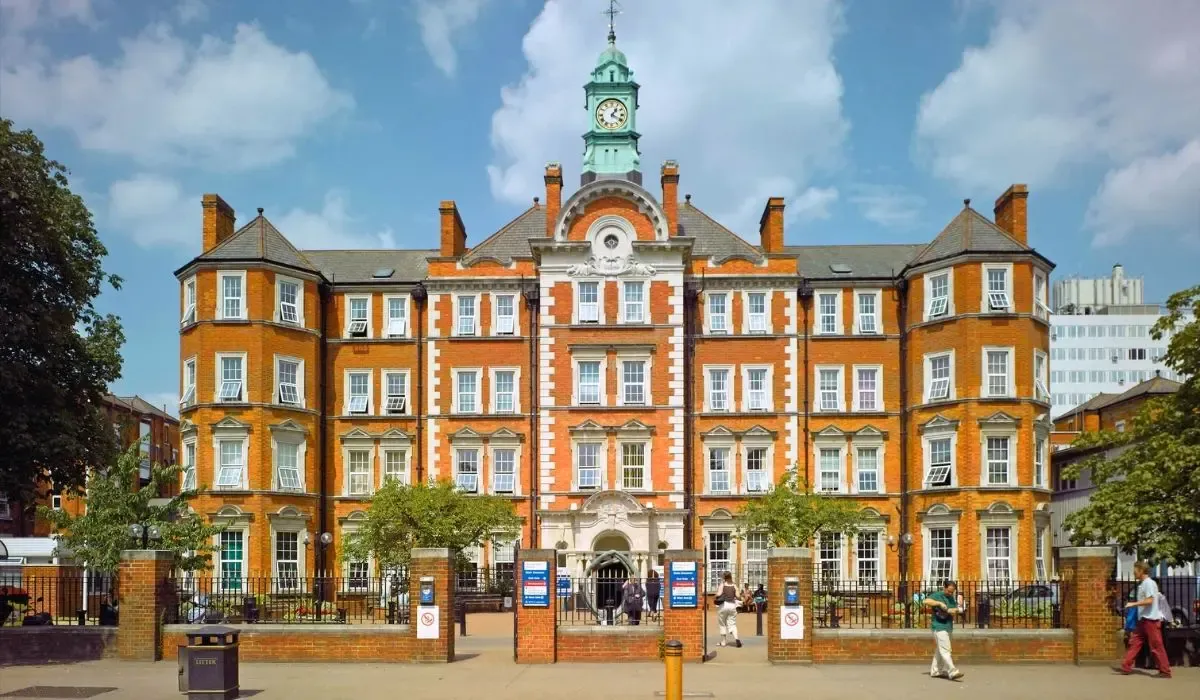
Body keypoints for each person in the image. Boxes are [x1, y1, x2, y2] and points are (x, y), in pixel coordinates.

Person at [1117, 561, 1171, 678]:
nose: (1133, 572)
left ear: (1141, 570)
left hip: (1151, 619)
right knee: (1135, 643)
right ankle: (1126, 667)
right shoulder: (1143, 584)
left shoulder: (1149, 583)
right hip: (1143, 619)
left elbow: (1150, 600)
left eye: (1135, 570)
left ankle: (1165, 671)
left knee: (1156, 646)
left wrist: (1133, 604)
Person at [924, 581, 965, 680]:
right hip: (938, 626)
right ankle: (952, 670)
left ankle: (935, 671)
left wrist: (955, 610)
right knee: (946, 650)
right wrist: (939, 603)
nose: (950, 594)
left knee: (940, 650)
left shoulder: (951, 598)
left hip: (948, 625)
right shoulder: (938, 595)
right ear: (944, 587)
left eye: (952, 592)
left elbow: (952, 610)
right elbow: (925, 601)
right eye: (949, 591)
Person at [715, 572, 742, 648]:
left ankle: (723, 642)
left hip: (723, 605)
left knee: (722, 623)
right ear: (731, 577)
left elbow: (719, 594)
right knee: (732, 623)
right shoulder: (734, 585)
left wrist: (715, 595)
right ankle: (736, 639)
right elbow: (738, 596)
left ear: (724, 577)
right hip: (732, 606)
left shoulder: (722, 584)